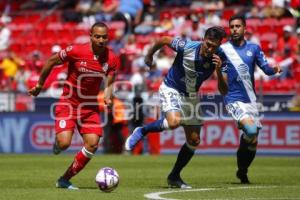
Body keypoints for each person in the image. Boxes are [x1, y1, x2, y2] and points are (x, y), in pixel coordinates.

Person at [125, 26, 227, 188]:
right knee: (173, 122)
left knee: (194, 140)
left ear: (219, 45)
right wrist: (150, 55)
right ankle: (142, 130)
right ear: (203, 39)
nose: (209, 49)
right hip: (171, 87)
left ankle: (174, 176)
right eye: (208, 44)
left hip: (191, 95)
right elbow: (165, 39)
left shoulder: (221, 57)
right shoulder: (186, 46)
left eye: (214, 46)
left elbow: (223, 90)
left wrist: (219, 71)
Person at [28, 22, 119, 189]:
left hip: (90, 108)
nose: (100, 40)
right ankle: (57, 144)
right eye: (97, 36)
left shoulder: (112, 58)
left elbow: (109, 83)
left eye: (104, 37)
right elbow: (51, 61)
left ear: (108, 38)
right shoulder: (76, 50)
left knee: (92, 144)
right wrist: (40, 85)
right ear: (91, 36)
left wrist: (107, 97)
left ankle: (64, 179)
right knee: (64, 144)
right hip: (68, 103)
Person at [220, 15, 282, 184]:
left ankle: (242, 171)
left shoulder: (254, 48)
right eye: (231, 26)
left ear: (245, 28)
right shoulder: (223, 49)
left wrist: (274, 69)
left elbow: (266, 69)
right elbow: (222, 76)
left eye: (238, 26)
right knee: (251, 130)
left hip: (251, 99)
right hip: (233, 99)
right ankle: (242, 161)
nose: (234, 29)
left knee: (253, 140)